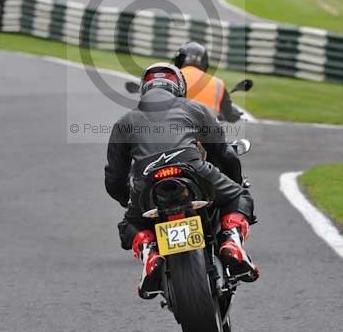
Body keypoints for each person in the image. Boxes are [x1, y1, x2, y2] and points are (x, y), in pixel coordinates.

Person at [105, 63, 259, 299]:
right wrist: (234, 181)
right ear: (179, 87)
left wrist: (128, 201)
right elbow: (224, 153)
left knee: (130, 224)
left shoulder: (124, 122)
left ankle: (150, 253)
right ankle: (230, 240)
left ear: (145, 90)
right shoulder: (194, 108)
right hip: (193, 169)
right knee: (239, 195)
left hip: (147, 182)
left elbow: (115, 178)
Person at [174, 42, 242, 123]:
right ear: (205, 62)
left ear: (178, 59)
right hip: (207, 132)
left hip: (177, 127)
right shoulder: (218, 83)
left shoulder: (171, 77)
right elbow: (229, 114)